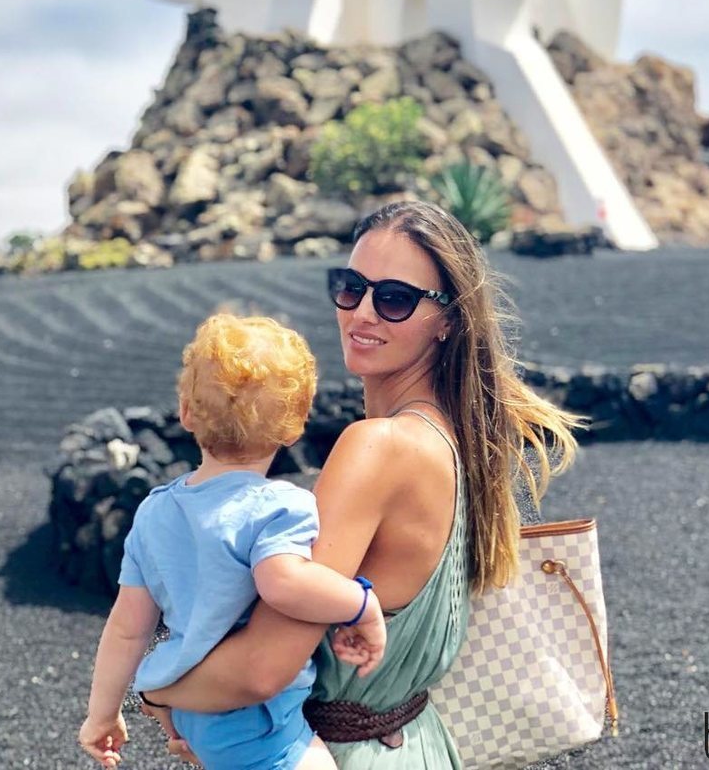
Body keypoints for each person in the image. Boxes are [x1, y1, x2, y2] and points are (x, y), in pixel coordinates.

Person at [143, 199, 588, 766]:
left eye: (395, 298)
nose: (363, 313)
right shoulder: (454, 439)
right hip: (415, 744)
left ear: (449, 318)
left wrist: (148, 683)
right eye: (352, 287)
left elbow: (262, 668)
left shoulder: (377, 447)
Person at [78, 313, 388, 770]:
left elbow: (127, 627)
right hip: (252, 720)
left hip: (189, 709)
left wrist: (101, 715)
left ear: (186, 412)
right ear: (294, 428)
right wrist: (363, 606)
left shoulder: (155, 511)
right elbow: (283, 582)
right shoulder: (280, 505)